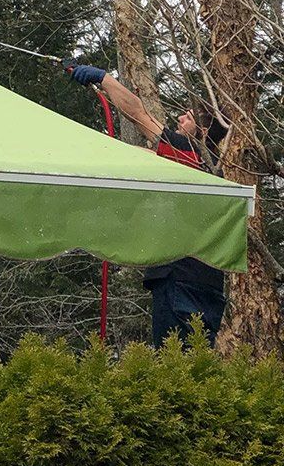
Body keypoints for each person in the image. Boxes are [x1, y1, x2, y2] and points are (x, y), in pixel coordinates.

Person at [64, 61, 226, 347]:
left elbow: (138, 114)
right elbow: (139, 155)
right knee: (193, 359)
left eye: (187, 117)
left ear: (203, 129)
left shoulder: (189, 155)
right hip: (202, 282)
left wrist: (105, 79)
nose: (179, 118)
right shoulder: (206, 166)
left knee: (174, 360)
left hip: (181, 281)